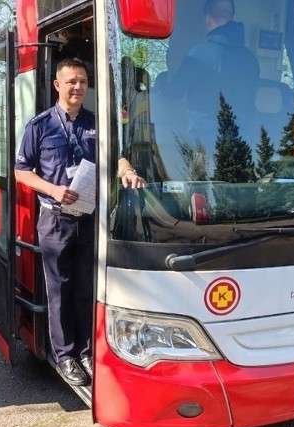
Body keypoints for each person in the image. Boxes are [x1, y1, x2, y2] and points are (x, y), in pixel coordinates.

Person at [14, 57, 145, 386]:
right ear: (58, 85)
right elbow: (21, 170)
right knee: (59, 290)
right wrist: (53, 189)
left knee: (86, 287)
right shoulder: (39, 125)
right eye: (71, 81)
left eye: (83, 82)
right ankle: (66, 354)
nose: (78, 87)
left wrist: (126, 170)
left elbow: (116, 156)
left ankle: (86, 350)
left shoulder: (95, 123)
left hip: (88, 219)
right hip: (55, 220)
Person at [170, 0, 260, 160]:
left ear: (207, 18)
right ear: (232, 17)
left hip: (203, 148)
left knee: (199, 185)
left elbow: (174, 92)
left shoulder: (199, 55)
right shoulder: (251, 60)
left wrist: (160, 86)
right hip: (241, 147)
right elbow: (252, 104)